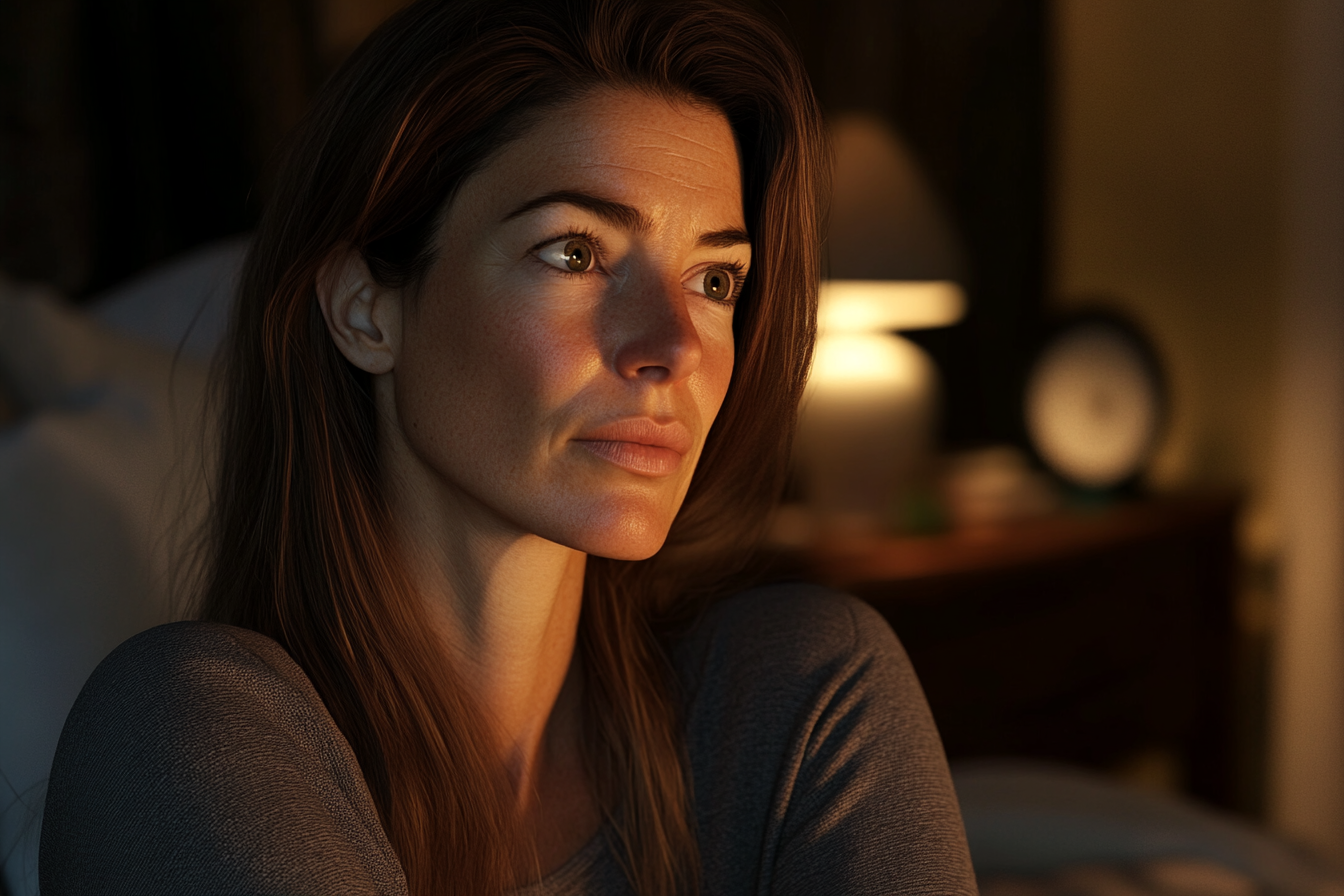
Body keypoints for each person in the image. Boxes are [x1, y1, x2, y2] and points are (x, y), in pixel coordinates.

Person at [39, 0, 978, 893]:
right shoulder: (182, 735)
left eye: (716, 279)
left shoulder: (799, 703)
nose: (672, 348)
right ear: (368, 309)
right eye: (576, 253)